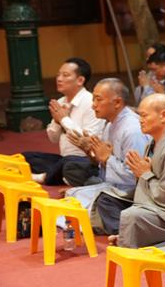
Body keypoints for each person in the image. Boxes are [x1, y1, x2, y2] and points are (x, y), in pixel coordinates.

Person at [97, 94, 165, 254]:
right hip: (157, 202)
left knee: (131, 216)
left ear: (163, 116)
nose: (140, 120)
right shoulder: (153, 142)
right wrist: (141, 173)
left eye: (144, 115)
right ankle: (129, 234)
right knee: (107, 199)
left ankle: (127, 235)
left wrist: (145, 174)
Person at [63, 79, 149, 220]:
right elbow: (103, 169)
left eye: (98, 99)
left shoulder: (132, 130)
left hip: (132, 193)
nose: (93, 105)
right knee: (72, 193)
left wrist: (107, 159)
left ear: (117, 102)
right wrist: (90, 152)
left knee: (91, 203)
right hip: (113, 185)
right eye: (93, 99)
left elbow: (136, 177)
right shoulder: (110, 125)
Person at [29, 57, 104, 185]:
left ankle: (45, 177)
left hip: (86, 160)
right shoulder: (60, 102)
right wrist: (57, 122)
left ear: (80, 80)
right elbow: (53, 139)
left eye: (65, 75)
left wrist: (64, 119)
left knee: (68, 164)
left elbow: (89, 140)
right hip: (64, 159)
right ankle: (60, 175)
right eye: (58, 75)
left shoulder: (91, 102)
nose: (59, 79)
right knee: (28, 157)